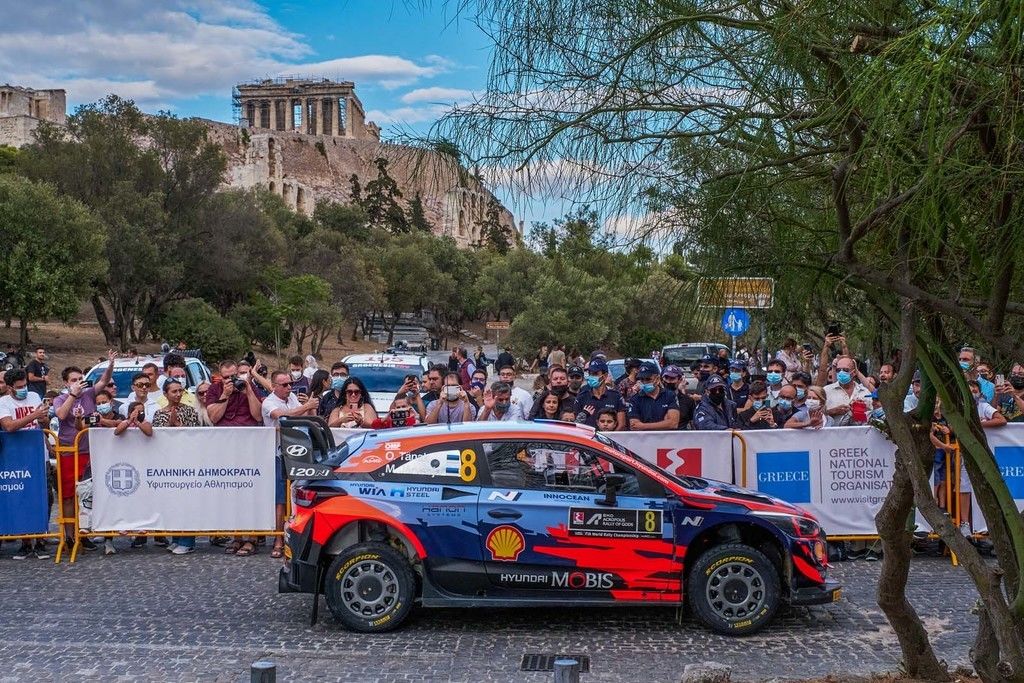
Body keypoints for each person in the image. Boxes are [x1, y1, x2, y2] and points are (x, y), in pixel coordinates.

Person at [53, 353, 116, 549]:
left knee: (87, 495)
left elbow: (104, 381)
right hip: (68, 451)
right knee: (68, 495)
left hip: (89, 451)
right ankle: (69, 535)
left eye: (80, 379)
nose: (78, 382)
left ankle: (84, 532)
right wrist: (73, 395)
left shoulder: (89, 394)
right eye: (74, 380)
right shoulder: (60, 398)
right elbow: (61, 415)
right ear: (66, 383)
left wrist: (110, 365)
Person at [261, 370, 318, 558]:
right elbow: (282, 416)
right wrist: (306, 406)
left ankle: (296, 538)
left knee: (298, 495)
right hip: (278, 454)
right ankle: (278, 539)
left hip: (296, 453)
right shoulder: (268, 402)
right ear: (274, 386)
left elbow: (303, 415)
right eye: (284, 385)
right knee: (280, 500)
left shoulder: (292, 397)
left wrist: (310, 406)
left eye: (290, 384)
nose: (289, 388)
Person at [0, 369, 51, 560]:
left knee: (45, 496)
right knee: (22, 498)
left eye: (25, 386)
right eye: (19, 387)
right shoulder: (3, 403)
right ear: (10, 387)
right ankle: (26, 540)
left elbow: (43, 422)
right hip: (18, 457)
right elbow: (9, 426)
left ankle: (41, 538)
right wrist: (34, 415)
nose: (24, 389)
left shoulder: (34, 396)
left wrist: (43, 417)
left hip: (39, 453)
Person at [151, 378, 202, 555]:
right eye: (174, 391)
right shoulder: (159, 414)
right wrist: (169, 425)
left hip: (187, 461)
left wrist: (179, 426)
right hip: (168, 462)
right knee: (172, 502)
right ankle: (176, 538)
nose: (178, 394)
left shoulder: (190, 411)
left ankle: (187, 541)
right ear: (165, 394)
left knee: (186, 502)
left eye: (180, 391)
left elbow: (196, 435)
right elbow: (158, 437)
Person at [206, 360, 263, 427]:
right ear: (221, 377)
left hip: (247, 429)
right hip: (224, 430)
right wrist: (225, 395)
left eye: (233, 376)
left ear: (238, 373)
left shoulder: (248, 386)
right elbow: (213, 418)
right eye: (226, 377)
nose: (230, 380)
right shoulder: (214, 388)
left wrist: (249, 393)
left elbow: (259, 417)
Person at [573, 359, 626, 429]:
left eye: (595, 374)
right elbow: (576, 423)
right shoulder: (582, 397)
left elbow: (621, 424)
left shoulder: (616, 396)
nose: (591, 376)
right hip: (587, 435)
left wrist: (609, 435)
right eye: (590, 374)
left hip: (609, 435)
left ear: (605, 376)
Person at [824, 355, 873, 426]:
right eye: (838, 370)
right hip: (833, 432)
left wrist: (859, 411)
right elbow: (816, 415)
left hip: (859, 432)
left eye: (845, 370)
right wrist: (832, 411)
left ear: (854, 372)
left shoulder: (864, 392)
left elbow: (870, 418)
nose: (841, 373)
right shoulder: (826, 391)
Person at [627, 365, 680, 430]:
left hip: (666, 436)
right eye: (641, 379)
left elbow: (673, 423)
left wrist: (643, 425)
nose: (644, 382)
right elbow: (634, 425)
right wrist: (665, 423)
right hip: (644, 436)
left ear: (657, 379)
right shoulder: (635, 399)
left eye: (648, 379)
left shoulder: (669, 395)